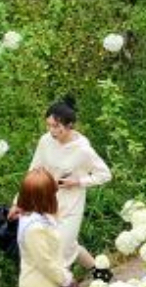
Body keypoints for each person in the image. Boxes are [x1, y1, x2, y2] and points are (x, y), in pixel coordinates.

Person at [27, 97, 110, 272]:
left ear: (70, 125)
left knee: (57, 252)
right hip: (47, 203)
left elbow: (104, 174)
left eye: (56, 126)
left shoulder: (82, 149)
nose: (51, 131)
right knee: (69, 246)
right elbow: (34, 169)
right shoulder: (46, 141)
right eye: (48, 125)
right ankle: (103, 275)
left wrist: (79, 181)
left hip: (71, 206)